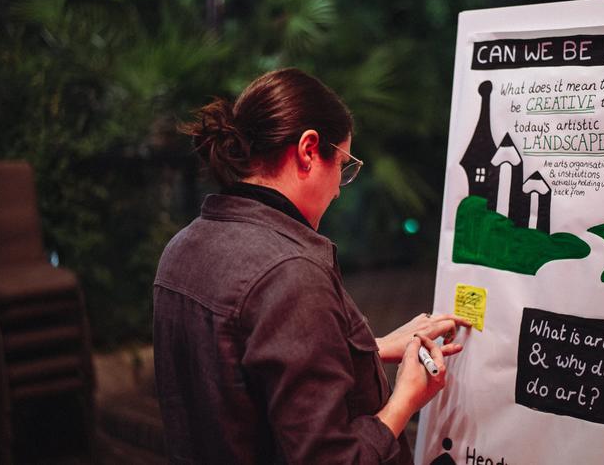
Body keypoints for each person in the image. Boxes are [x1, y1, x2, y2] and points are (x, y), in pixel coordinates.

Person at [153, 68, 470, 464]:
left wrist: (371, 350)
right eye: (343, 165)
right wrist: (405, 399)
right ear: (308, 150)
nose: (339, 189)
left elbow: (244, 379)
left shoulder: (181, 248)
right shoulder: (290, 273)